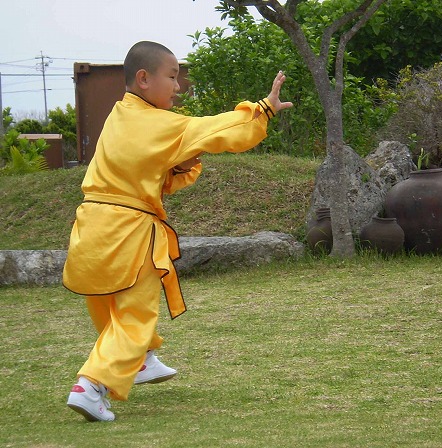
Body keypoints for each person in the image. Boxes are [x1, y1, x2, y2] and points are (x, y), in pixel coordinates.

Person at [63, 40, 293, 422]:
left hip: (90, 230)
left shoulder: (119, 117)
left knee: (110, 306)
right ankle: (91, 386)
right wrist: (263, 109)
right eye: (171, 77)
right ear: (143, 78)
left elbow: (149, 169)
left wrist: (180, 160)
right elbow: (216, 130)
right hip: (128, 231)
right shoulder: (160, 124)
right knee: (136, 314)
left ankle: (142, 361)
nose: (178, 86)